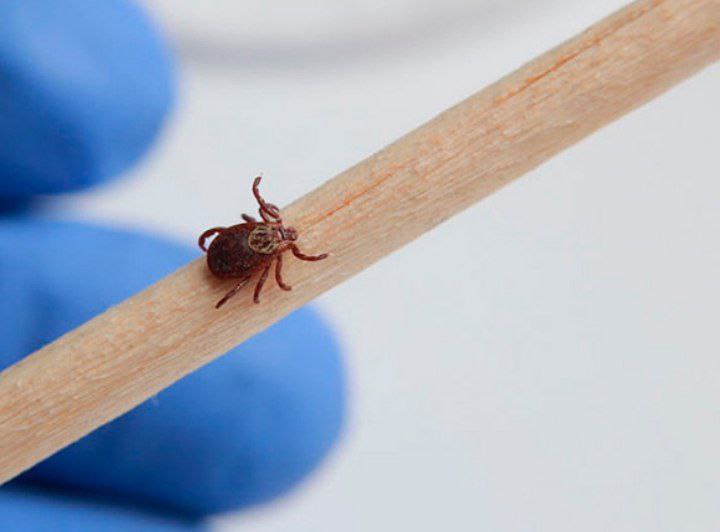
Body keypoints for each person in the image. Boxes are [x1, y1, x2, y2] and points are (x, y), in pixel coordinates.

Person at [0, 1, 345, 529]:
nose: (283, 235)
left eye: (281, 236)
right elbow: (251, 265)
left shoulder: (252, 233)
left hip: (227, 257)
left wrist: (245, 242)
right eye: (279, 232)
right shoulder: (267, 250)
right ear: (267, 226)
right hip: (229, 261)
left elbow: (223, 239)